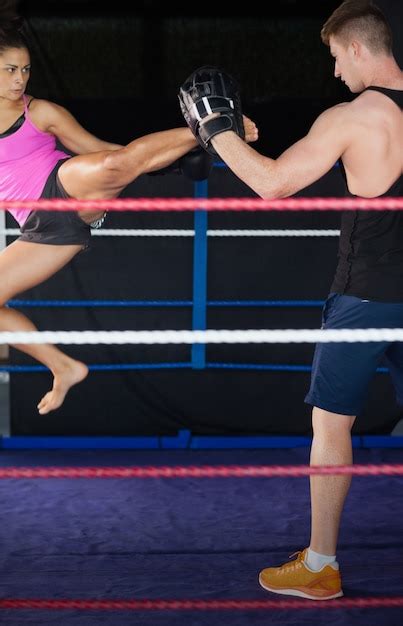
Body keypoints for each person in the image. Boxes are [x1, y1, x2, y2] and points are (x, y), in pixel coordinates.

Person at [179, 0, 403, 600]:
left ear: (358, 47)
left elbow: (272, 183)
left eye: (335, 56)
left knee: (330, 426)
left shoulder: (356, 116)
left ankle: (321, 565)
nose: (335, 72)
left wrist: (216, 128)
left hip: (366, 298)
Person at [0, 9, 258, 416]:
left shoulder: (41, 112)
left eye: (26, 69)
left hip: (63, 185)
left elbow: (104, 152)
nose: (20, 79)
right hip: (39, 228)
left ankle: (215, 125)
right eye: (10, 69)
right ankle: (63, 367)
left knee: (114, 164)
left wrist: (155, 164)